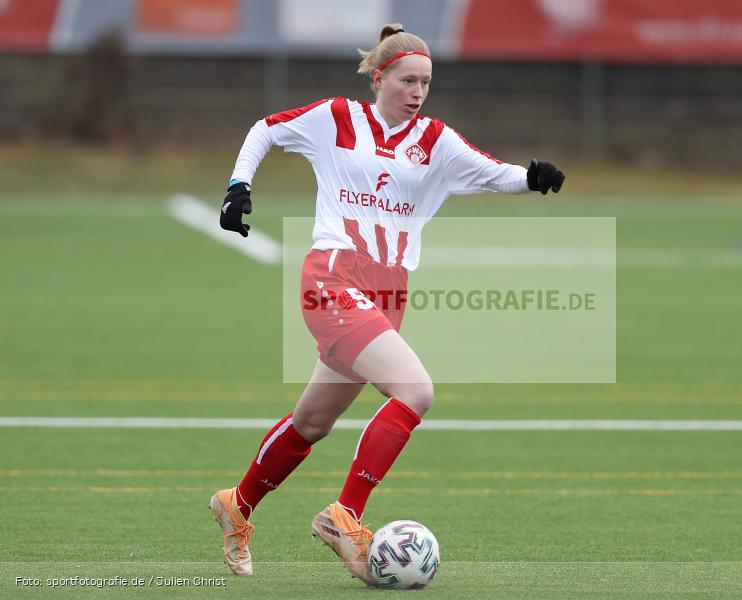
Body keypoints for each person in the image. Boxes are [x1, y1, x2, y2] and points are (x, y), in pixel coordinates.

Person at [209, 23, 565, 585]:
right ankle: (344, 516)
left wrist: (532, 178)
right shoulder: (336, 118)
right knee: (417, 390)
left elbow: (494, 173)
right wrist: (238, 187)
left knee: (312, 421)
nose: (418, 91)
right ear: (380, 78)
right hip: (332, 278)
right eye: (407, 80)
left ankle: (237, 504)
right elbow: (265, 130)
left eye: (425, 81)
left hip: (388, 293)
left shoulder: (437, 142)